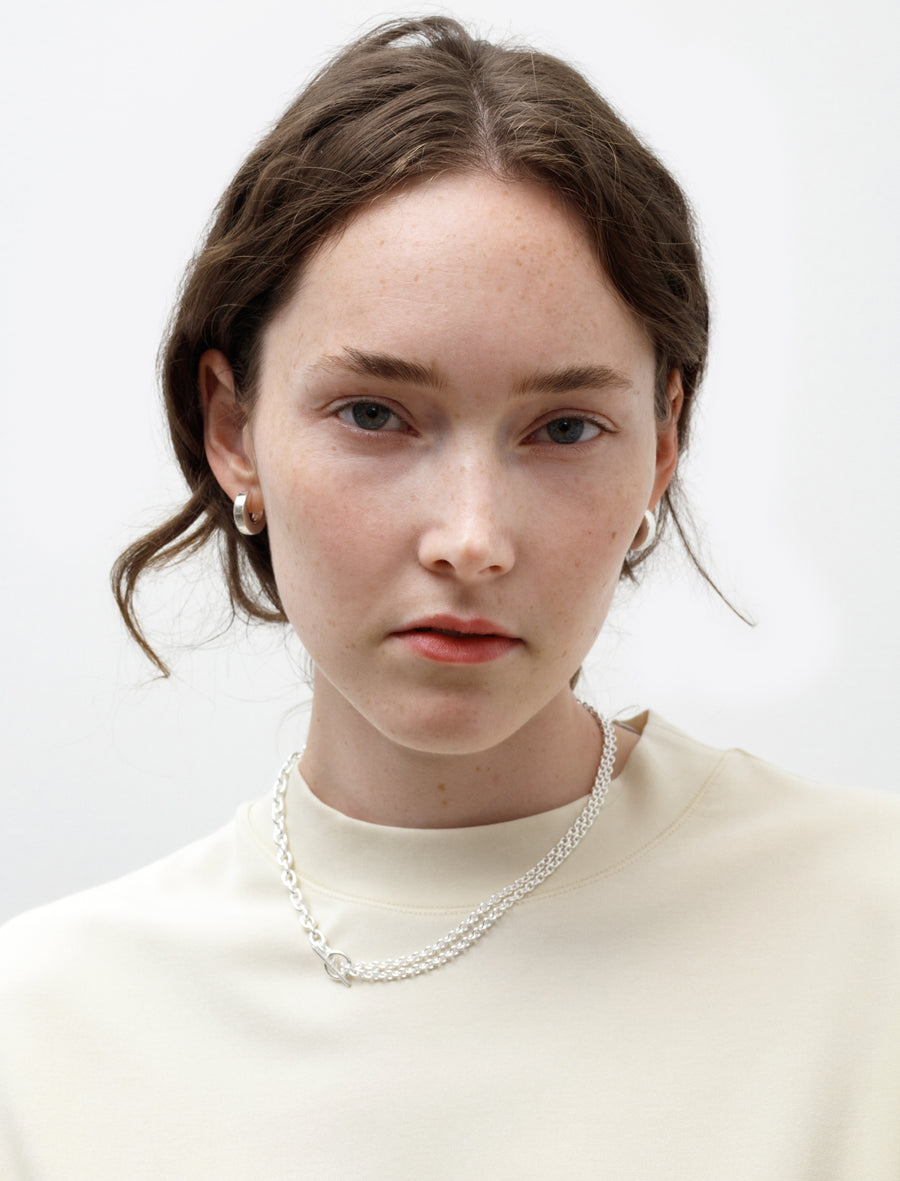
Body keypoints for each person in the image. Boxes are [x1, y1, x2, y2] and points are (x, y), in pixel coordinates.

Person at [1, 15, 898, 1179]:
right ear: (233, 428)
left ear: (663, 444)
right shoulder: (45, 1031)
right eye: (375, 414)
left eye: (564, 428)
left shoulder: (870, 929)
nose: (471, 539)